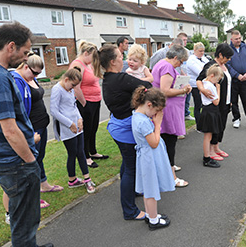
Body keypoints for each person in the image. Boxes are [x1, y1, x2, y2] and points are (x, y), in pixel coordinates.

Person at [0, 22, 53, 247]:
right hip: (16, 162)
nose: (26, 58)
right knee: (25, 219)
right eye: (25, 52)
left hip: (5, 159)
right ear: (11, 46)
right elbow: (9, 128)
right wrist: (30, 160)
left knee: (20, 216)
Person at [2, 53, 63, 221]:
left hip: (40, 126)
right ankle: (34, 197)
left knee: (39, 158)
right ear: (25, 66)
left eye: (39, 74)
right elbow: (19, 112)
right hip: (32, 130)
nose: (36, 76)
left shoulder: (30, 78)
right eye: (35, 73)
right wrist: (29, 135)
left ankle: (44, 185)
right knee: (30, 163)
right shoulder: (17, 81)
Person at [97, 44, 152, 220]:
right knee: (130, 169)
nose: (124, 60)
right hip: (124, 130)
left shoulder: (109, 78)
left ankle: (132, 191)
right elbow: (147, 85)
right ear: (113, 62)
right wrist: (146, 74)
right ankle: (130, 211)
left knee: (127, 165)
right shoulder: (120, 78)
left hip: (119, 127)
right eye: (121, 57)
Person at [131, 86, 175, 230]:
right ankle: (154, 221)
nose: (156, 114)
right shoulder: (143, 122)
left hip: (147, 156)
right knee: (151, 190)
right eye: (156, 111)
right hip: (149, 158)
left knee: (148, 187)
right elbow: (154, 143)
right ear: (149, 105)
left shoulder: (138, 115)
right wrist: (158, 124)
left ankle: (151, 215)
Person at [50, 68, 96, 194]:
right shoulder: (57, 89)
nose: (73, 88)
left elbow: (74, 106)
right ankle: (73, 180)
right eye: (73, 85)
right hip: (67, 128)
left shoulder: (69, 89)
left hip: (77, 125)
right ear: (66, 79)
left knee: (81, 151)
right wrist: (69, 124)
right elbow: (54, 111)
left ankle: (86, 178)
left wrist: (80, 118)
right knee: (73, 153)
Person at [152, 44, 191, 187]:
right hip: (168, 110)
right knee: (170, 141)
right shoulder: (168, 67)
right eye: (181, 61)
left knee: (165, 142)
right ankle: (171, 177)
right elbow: (165, 90)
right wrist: (183, 91)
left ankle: (168, 169)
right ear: (175, 57)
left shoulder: (161, 64)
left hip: (166, 108)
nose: (180, 64)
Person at [69, 41, 107, 169]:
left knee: (93, 128)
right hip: (86, 103)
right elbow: (76, 87)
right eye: (93, 56)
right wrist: (84, 103)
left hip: (95, 101)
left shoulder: (88, 64)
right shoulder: (77, 66)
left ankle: (93, 151)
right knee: (86, 130)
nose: (93, 60)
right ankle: (86, 157)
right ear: (86, 53)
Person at [197, 43, 234, 167]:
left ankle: (216, 147)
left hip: (226, 101)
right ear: (220, 55)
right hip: (216, 104)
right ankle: (211, 151)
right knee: (215, 127)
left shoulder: (225, 66)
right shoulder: (211, 66)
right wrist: (203, 90)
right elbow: (199, 79)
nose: (229, 59)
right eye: (227, 57)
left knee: (221, 126)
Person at [197, 64, 224, 167]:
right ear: (212, 76)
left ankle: (207, 156)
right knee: (207, 136)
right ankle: (206, 158)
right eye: (217, 79)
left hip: (207, 110)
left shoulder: (204, 82)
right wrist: (218, 89)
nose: (217, 82)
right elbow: (216, 102)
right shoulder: (210, 86)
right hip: (210, 111)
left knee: (208, 136)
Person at [186, 42, 209, 123]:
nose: (202, 53)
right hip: (195, 85)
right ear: (194, 50)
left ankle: (204, 122)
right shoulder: (191, 60)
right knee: (198, 105)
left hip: (204, 84)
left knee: (205, 104)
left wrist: (204, 68)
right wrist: (204, 69)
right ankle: (199, 124)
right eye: (200, 51)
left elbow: (210, 67)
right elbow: (200, 72)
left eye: (203, 51)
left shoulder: (204, 58)